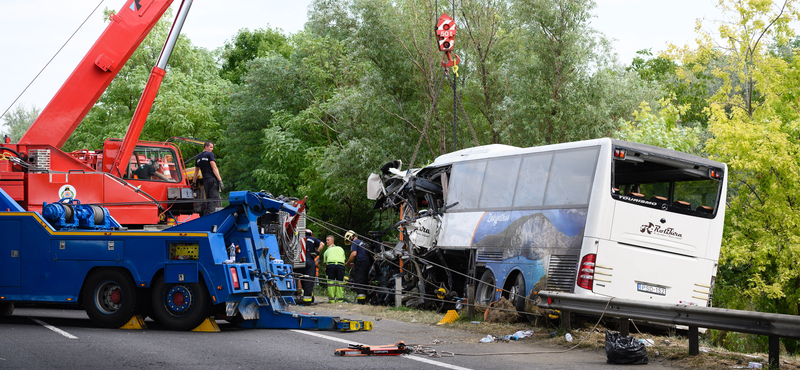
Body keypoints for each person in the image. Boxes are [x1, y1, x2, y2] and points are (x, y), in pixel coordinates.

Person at [193, 141, 223, 215]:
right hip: (212, 180)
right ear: (206, 147)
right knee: (214, 199)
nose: (212, 149)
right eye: (211, 147)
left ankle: (206, 214)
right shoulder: (210, 154)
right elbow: (214, 168)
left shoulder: (198, 157)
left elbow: (196, 172)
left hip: (206, 181)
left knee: (209, 199)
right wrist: (220, 180)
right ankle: (209, 215)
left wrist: (193, 182)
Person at [344, 230, 371, 305]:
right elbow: (362, 255)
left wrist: (348, 263)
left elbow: (353, 254)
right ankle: (364, 300)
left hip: (361, 265)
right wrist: (355, 263)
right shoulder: (361, 242)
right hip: (365, 264)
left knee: (359, 282)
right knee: (364, 281)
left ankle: (361, 302)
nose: (349, 242)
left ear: (350, 237)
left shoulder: (355, 242)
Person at [300, 229, 323, 305]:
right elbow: (322, 244)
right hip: (310, 261)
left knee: (302, 279)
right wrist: (317, 252)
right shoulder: (313, 239)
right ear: (311, 234)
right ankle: (308, 301)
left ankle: (309, 296)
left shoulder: (298, 239)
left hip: (300, 262)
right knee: (309, 280)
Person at [323, 235, 346, 303]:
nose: (326, 241)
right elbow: (344, 259)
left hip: (330, 265)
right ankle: (340, 300)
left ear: (332, 240)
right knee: (340, 283)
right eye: (326, 240)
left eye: (328, 240)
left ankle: (331, 300)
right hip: (340, 265)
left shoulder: (327, 250)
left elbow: (325, 263)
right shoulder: (340, 248)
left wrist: (326, 269)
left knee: (330, 283)